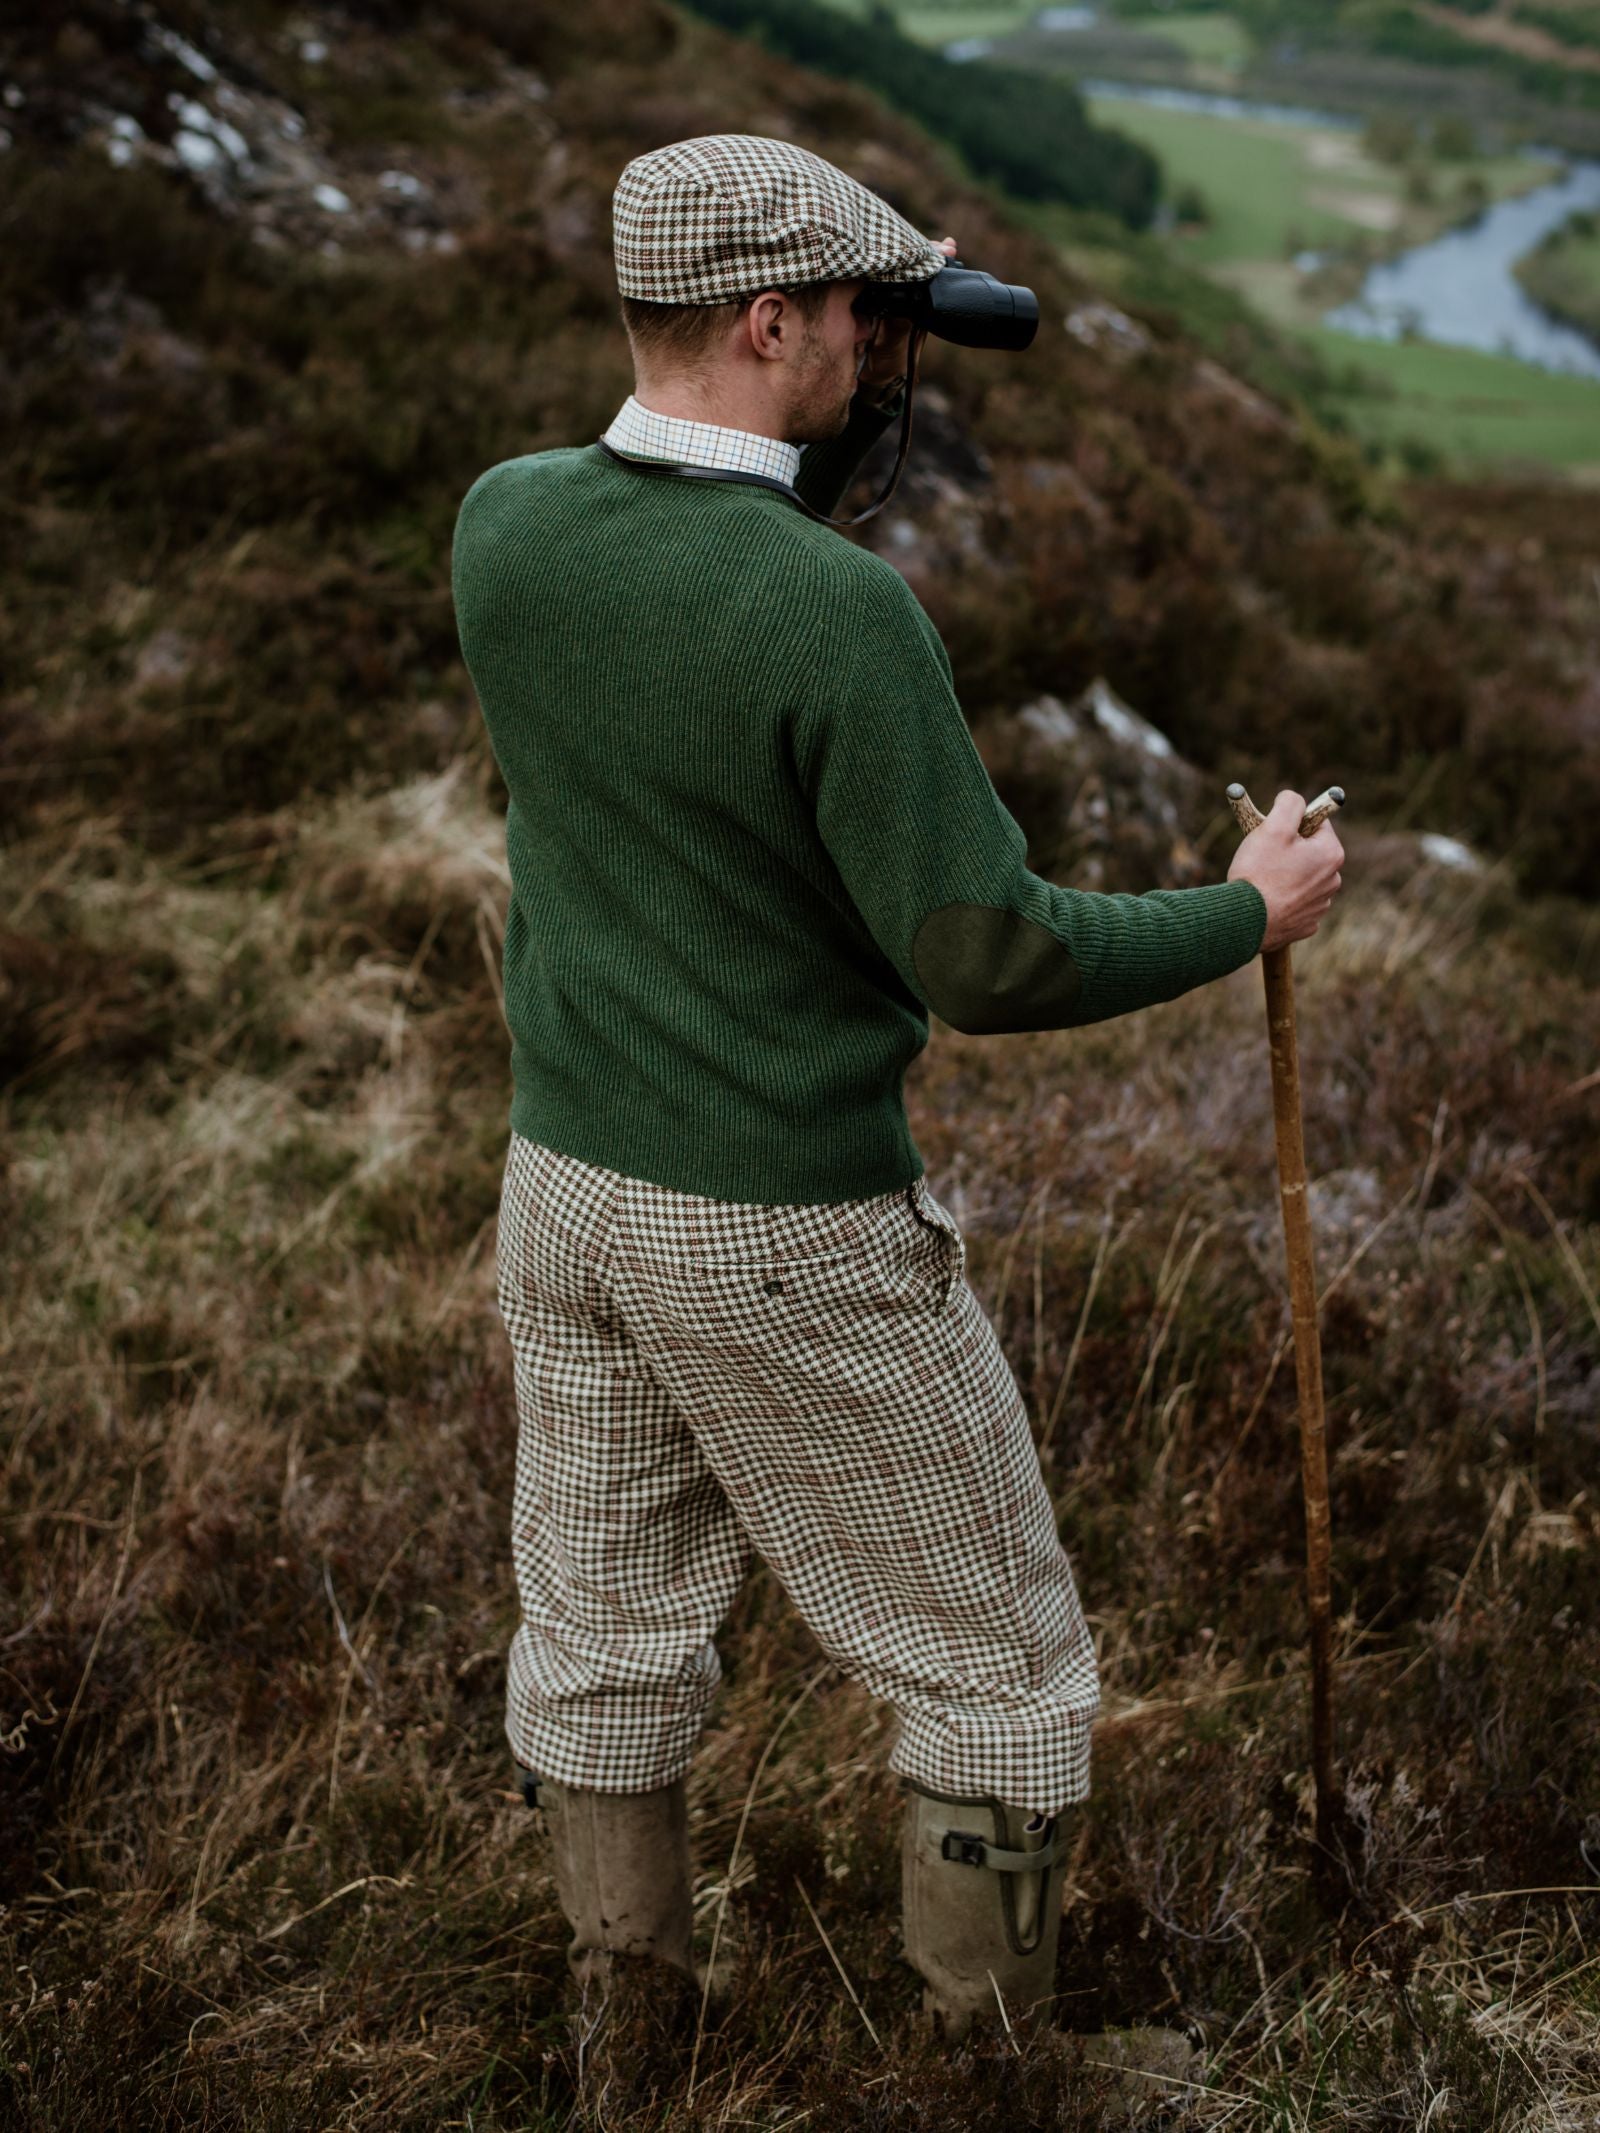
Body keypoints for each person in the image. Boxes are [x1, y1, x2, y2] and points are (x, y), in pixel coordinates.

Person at [449, 132, 1344, 2081]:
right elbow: (989, 955)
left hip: (564, 1188)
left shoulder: (502, 525)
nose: (882, 360)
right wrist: (1239, 906)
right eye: (861, 319)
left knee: (600, 1628)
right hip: (778, 1221)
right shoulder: (830, 615)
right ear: (766, 318)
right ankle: (979, 2063)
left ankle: (630, 2053)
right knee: (999, 1672)